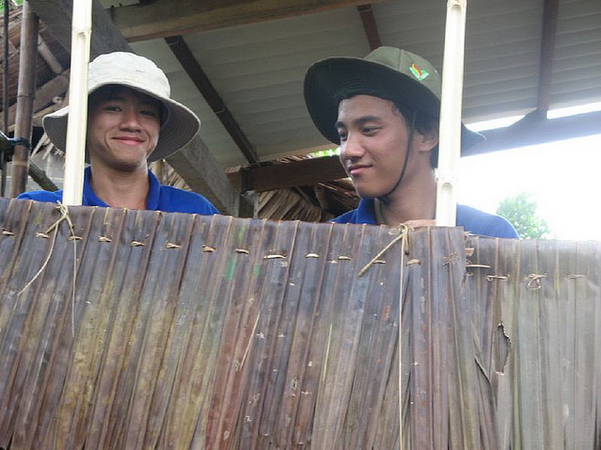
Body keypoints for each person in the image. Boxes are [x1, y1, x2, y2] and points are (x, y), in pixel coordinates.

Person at [304, 46, 518, 238]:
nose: (347, 150)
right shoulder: (330, 243)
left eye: (368, 130)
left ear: (427, 135)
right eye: (343, 135)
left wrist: (459, 256)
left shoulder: (491, 236)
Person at [18, 52, 219, 215]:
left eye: (147, 112)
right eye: (114, 108)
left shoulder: (196, 213)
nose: (132, 123)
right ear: (83, 121)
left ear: (159, 127)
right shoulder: (37, 210)